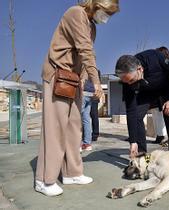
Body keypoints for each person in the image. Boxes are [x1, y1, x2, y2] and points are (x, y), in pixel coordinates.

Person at [35, 0, 119, 196]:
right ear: (97, 5)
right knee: (55, 128)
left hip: (74, 80)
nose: (106, 18)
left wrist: (83, 79)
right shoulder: (76, 13)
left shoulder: (92, 27)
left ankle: (72, 172)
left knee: (74, 127)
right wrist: (96, 82)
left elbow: (84, 57)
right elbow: (85, 50)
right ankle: (44, 179)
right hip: (58, 75)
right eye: (106, 12)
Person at [115, 49, 169, 158]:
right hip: (146, 92)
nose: (129, 84)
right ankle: (141, 155)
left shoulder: (156, 57)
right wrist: (133, 141)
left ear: (139, 69)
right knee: (137, 116)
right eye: (126, 82)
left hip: (167, 89)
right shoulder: (127, 82)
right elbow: (131, 111)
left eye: (131, 80)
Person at [90, 70, 102, 142]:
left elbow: (98, 83)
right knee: (91, 116)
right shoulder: (97, 71)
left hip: (93, 95)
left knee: (93, 115)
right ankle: (94, 134)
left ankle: (95, 134)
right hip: (92, 95)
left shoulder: (96, 71)